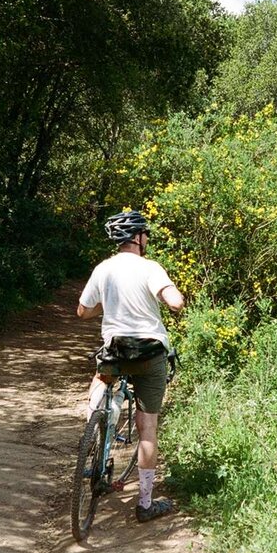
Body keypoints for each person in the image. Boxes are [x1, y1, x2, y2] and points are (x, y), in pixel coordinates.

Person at [77, 209, 185, 523]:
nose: (147, 238)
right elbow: (175, 303)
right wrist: (174, 298)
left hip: (115, 351)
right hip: (150, 356)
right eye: (145, 234)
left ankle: (94, 431)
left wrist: (110, 304)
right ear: (137, 238)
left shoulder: (103, 269)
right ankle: (146, 504)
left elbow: (83, 312)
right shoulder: (151, 267)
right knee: (147, 429)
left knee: (102, 380)